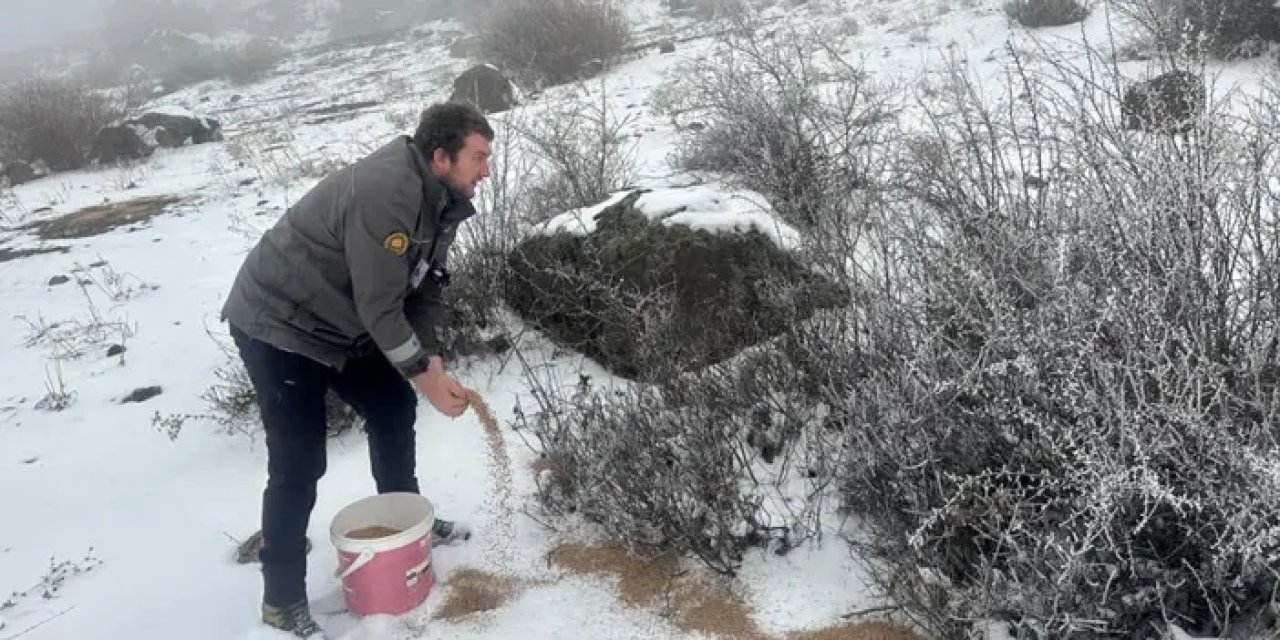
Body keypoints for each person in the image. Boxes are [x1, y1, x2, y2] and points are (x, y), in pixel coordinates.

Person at [220, 101, 493, 638]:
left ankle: (403, 520)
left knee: (391, 408)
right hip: (279, 324)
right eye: (479, 157)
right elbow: (381, 307)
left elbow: (425, 287)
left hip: (340, 320)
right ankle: (281, 600)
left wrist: (432, 360)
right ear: (442, 157)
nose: (486, 170)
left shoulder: (442, 199)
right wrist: (428, 379)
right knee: (299, 459)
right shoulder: (387, 193)